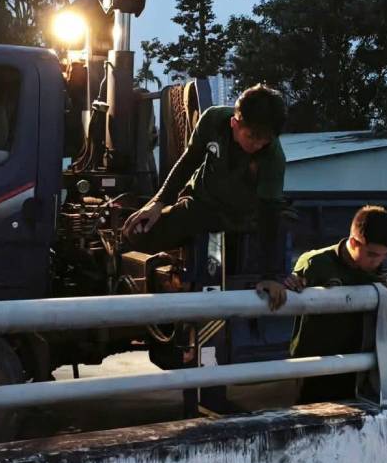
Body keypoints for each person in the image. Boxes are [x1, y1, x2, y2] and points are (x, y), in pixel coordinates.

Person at [122, 84, 289, 309]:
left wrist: (270, 275)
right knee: (137, 231)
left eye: (265, 140)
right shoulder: (214, 120)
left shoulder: (273, 156)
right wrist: (156, 203)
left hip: (239, 220)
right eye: (252, 137)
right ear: (235, 123)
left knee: (225, 261)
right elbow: (187, 162)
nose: (258, 144)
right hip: (199, 206)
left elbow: (270, 213)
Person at [285, 205, 387, 403]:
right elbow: (290, 284)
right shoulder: (316, 263)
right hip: (315, 368)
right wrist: (292, 283)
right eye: (372, 255)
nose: (377, 262)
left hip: (356, 368)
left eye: (384, 256)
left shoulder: (377, 270)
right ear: (354, 242)